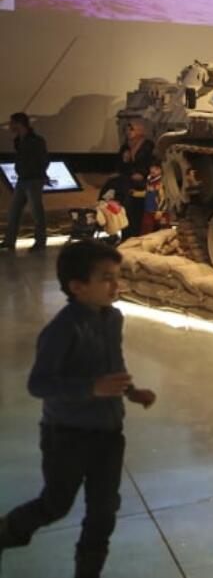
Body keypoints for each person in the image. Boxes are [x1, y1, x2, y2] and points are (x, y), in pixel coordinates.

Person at [0, 240, 157, 578]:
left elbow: (113, 365)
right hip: (66, 436)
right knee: (56, 503)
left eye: (117, 276)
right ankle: (7, 532)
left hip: (109, 435)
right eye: (106, 278)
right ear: (77, 287)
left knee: (104, 510)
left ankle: (88, 572)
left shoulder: (113, 318)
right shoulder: (61, 330)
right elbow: (38, 384)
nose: (116, 285)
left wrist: (131, 391)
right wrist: (91, 389)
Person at [3, 112, 50, 251]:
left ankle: (40, 241)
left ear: (18, 123)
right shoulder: (18, 140)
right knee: (14, 211)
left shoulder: (36, 141)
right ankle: (9, 241)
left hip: (34, 179)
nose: (10, 126)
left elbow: (43, 159)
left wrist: (40, 174)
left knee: (36, 211)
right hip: (23, 179)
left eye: (12, 123)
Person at [115, 121, 154, 240]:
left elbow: (151, 162)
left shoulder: (148, 145)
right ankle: (126, 235)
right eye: (127, 130)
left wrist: (143, 174)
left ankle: (137, 235)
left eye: (131, 129)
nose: (128, 132)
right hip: (128, 179)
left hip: (143, 182)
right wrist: (125, 160)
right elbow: (120, 166)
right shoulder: (125, 147)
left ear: (140, 130)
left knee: (136, 208)